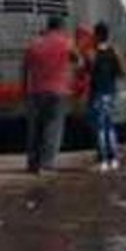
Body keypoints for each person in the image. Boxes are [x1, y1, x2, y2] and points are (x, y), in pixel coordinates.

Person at [22, 14, 78, 174]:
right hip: (58, 91)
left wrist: (24, 90)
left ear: (48, 26)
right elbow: (78, 61)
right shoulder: (66, 43)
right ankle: (46, 164)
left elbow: (25, 69)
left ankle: (32, 163)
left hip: (35, 91)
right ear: (61, 27)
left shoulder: (34, 43)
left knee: (35, 129)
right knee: (52, 127)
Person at [88, 22, 125, 171]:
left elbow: (86, 71)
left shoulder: (92, 54)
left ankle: (103, 160)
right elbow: (121, 73)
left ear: (97, 35)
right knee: (110, 127)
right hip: (110, 93)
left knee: (100, 128)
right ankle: (114, 159)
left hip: (97, 93)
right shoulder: (114, 51)